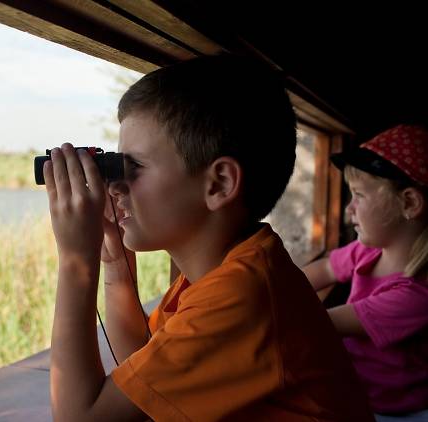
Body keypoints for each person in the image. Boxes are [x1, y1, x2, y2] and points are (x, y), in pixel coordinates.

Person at [42, 54, 373, 421]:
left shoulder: (242, 293)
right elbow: (142, 368)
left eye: (132, 168)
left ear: (219, 184)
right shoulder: (227, 267)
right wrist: (114, 264)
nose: (115, 187)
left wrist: (76, 260)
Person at [303, 124, 428, 421]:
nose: (349, 209)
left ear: (408, 203)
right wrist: (271, 286)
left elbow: (320, 323)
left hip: (398, 412)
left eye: (358, 195)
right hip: (361, 390)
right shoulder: (369, 251)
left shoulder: (416, 295)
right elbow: (323, 269)